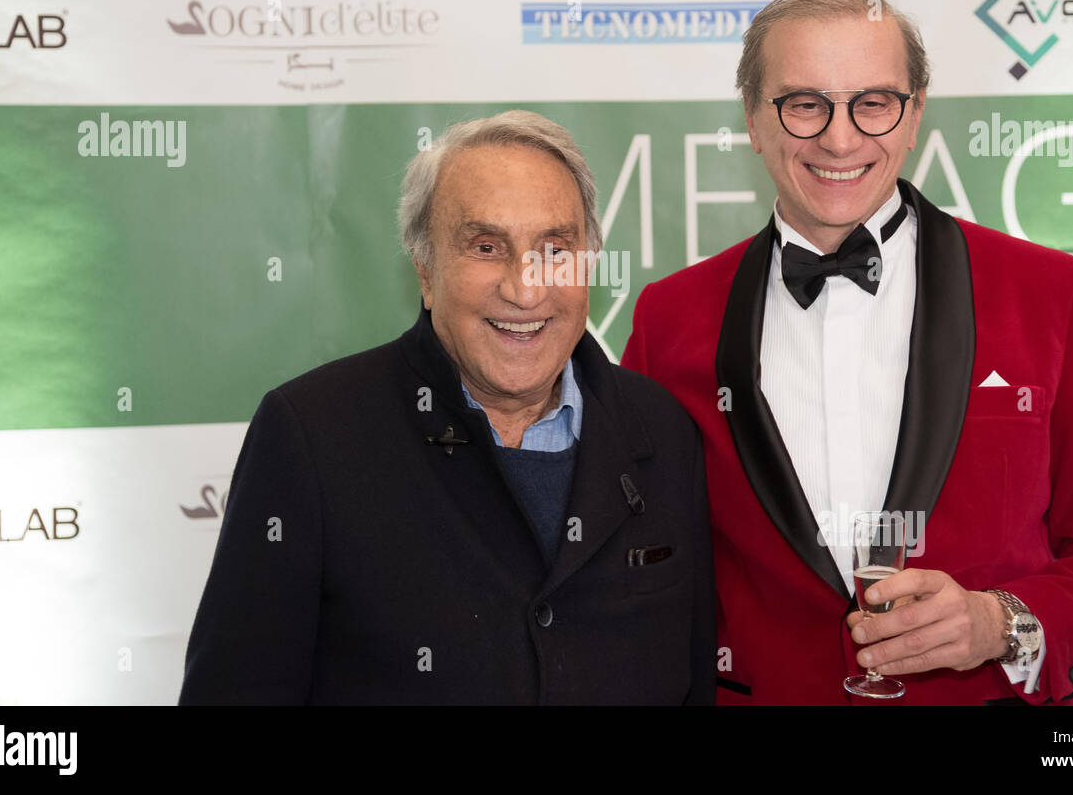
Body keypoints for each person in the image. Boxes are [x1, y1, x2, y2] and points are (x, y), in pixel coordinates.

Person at [621, 0, 1073, 704]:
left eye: (874, 102)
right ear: (754, 121)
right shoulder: (670, 319)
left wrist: (998, 621)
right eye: (803, 103)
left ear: (915, 114)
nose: (840, 138)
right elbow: (633, 565)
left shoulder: (1050, 294)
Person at [180, 111, 715, 704]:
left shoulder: (662, 431)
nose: (525, 288)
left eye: (554, 248)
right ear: (426, 271)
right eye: (486, 247)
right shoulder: (312, 436)